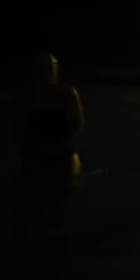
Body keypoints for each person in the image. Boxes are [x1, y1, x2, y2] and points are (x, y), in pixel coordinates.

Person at [18, 52, 84, 197]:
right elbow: (21, 127)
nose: (48, 71)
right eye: (43, 68)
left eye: (51, 67)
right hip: (38, 157)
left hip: (60, 156)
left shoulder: (66, 93)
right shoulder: (29, 95)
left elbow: (76, 123)